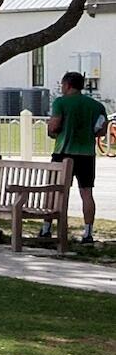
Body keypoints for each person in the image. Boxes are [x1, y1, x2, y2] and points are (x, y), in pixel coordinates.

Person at [47, 72, 109, 246]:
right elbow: (102, 131)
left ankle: (47, 228)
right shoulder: (96, 106)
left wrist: (51, 130)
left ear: (67, 85)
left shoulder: (61, 102)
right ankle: (88, 232)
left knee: (54, 191)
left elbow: (54, 125)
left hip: (63, 151)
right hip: (87, 154)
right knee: (87, 193)